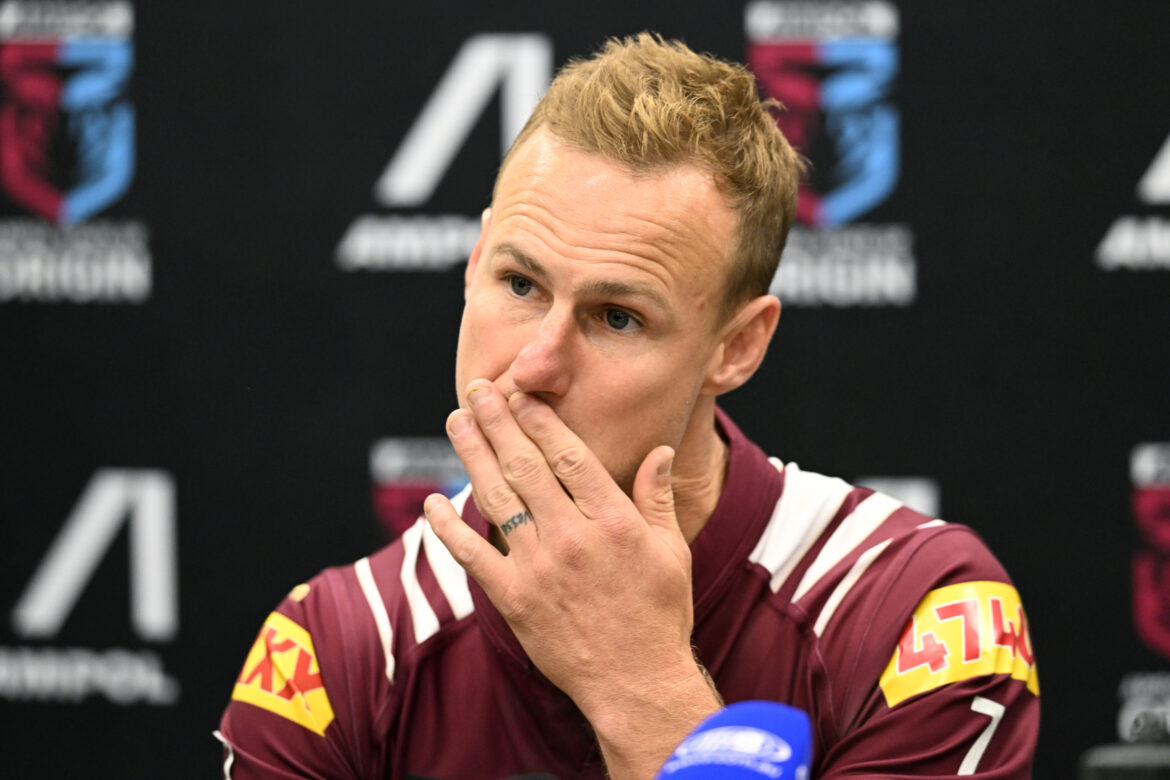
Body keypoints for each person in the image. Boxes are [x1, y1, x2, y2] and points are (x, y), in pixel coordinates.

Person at [217, 33, 1039, 779]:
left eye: (618, 317)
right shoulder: (339, 643)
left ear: (738, 346)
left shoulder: (911, 612)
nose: (535, 365)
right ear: (473, 262)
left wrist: (639, 679)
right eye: (520, 283)